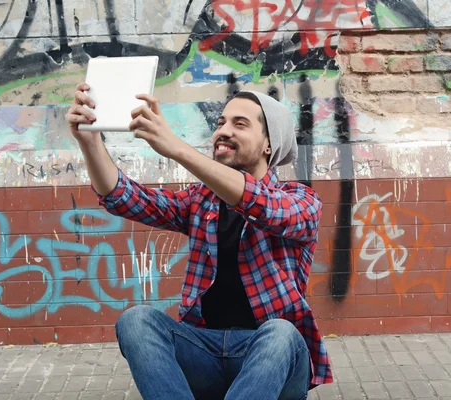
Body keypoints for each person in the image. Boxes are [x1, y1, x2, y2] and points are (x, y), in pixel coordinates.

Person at [65, 83, 333, 399]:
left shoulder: (301, 200)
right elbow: (125, 197)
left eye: (240, 124)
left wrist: (176, 147)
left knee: (281, 333)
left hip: (271, 359)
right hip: (204, 351)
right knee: (137, 321)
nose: (224, 131)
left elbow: (262, 205)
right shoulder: (201, 201)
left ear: (268, 145)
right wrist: (90, 143)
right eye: (221, 123)